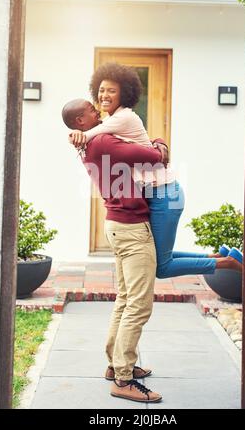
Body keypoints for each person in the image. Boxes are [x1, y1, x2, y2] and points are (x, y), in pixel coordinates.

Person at [67, 62, 243, 278]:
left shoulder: (123, 117)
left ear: (124, 93)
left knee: (161, 266)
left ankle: (227, 263)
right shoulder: (114, 120)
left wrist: (78, 136)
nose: (104, 95)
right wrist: (159, 143)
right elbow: (138, 142)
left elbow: (98, 133)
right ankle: (218, 257)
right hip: (156, 192)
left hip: (164, 193)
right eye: (102, 90)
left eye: (112, 90)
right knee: (157, 255)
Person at [62, 98, 164, 403]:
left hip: (116, 224)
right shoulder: (103, 141)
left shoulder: (88, 143)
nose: (100, 110)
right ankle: (123, 378)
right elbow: (154, 157)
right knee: (139, 305)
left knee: (125, 299)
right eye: (92, 110)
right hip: (132, 228)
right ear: (81, 121)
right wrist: (160, 141)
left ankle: (116, 364)